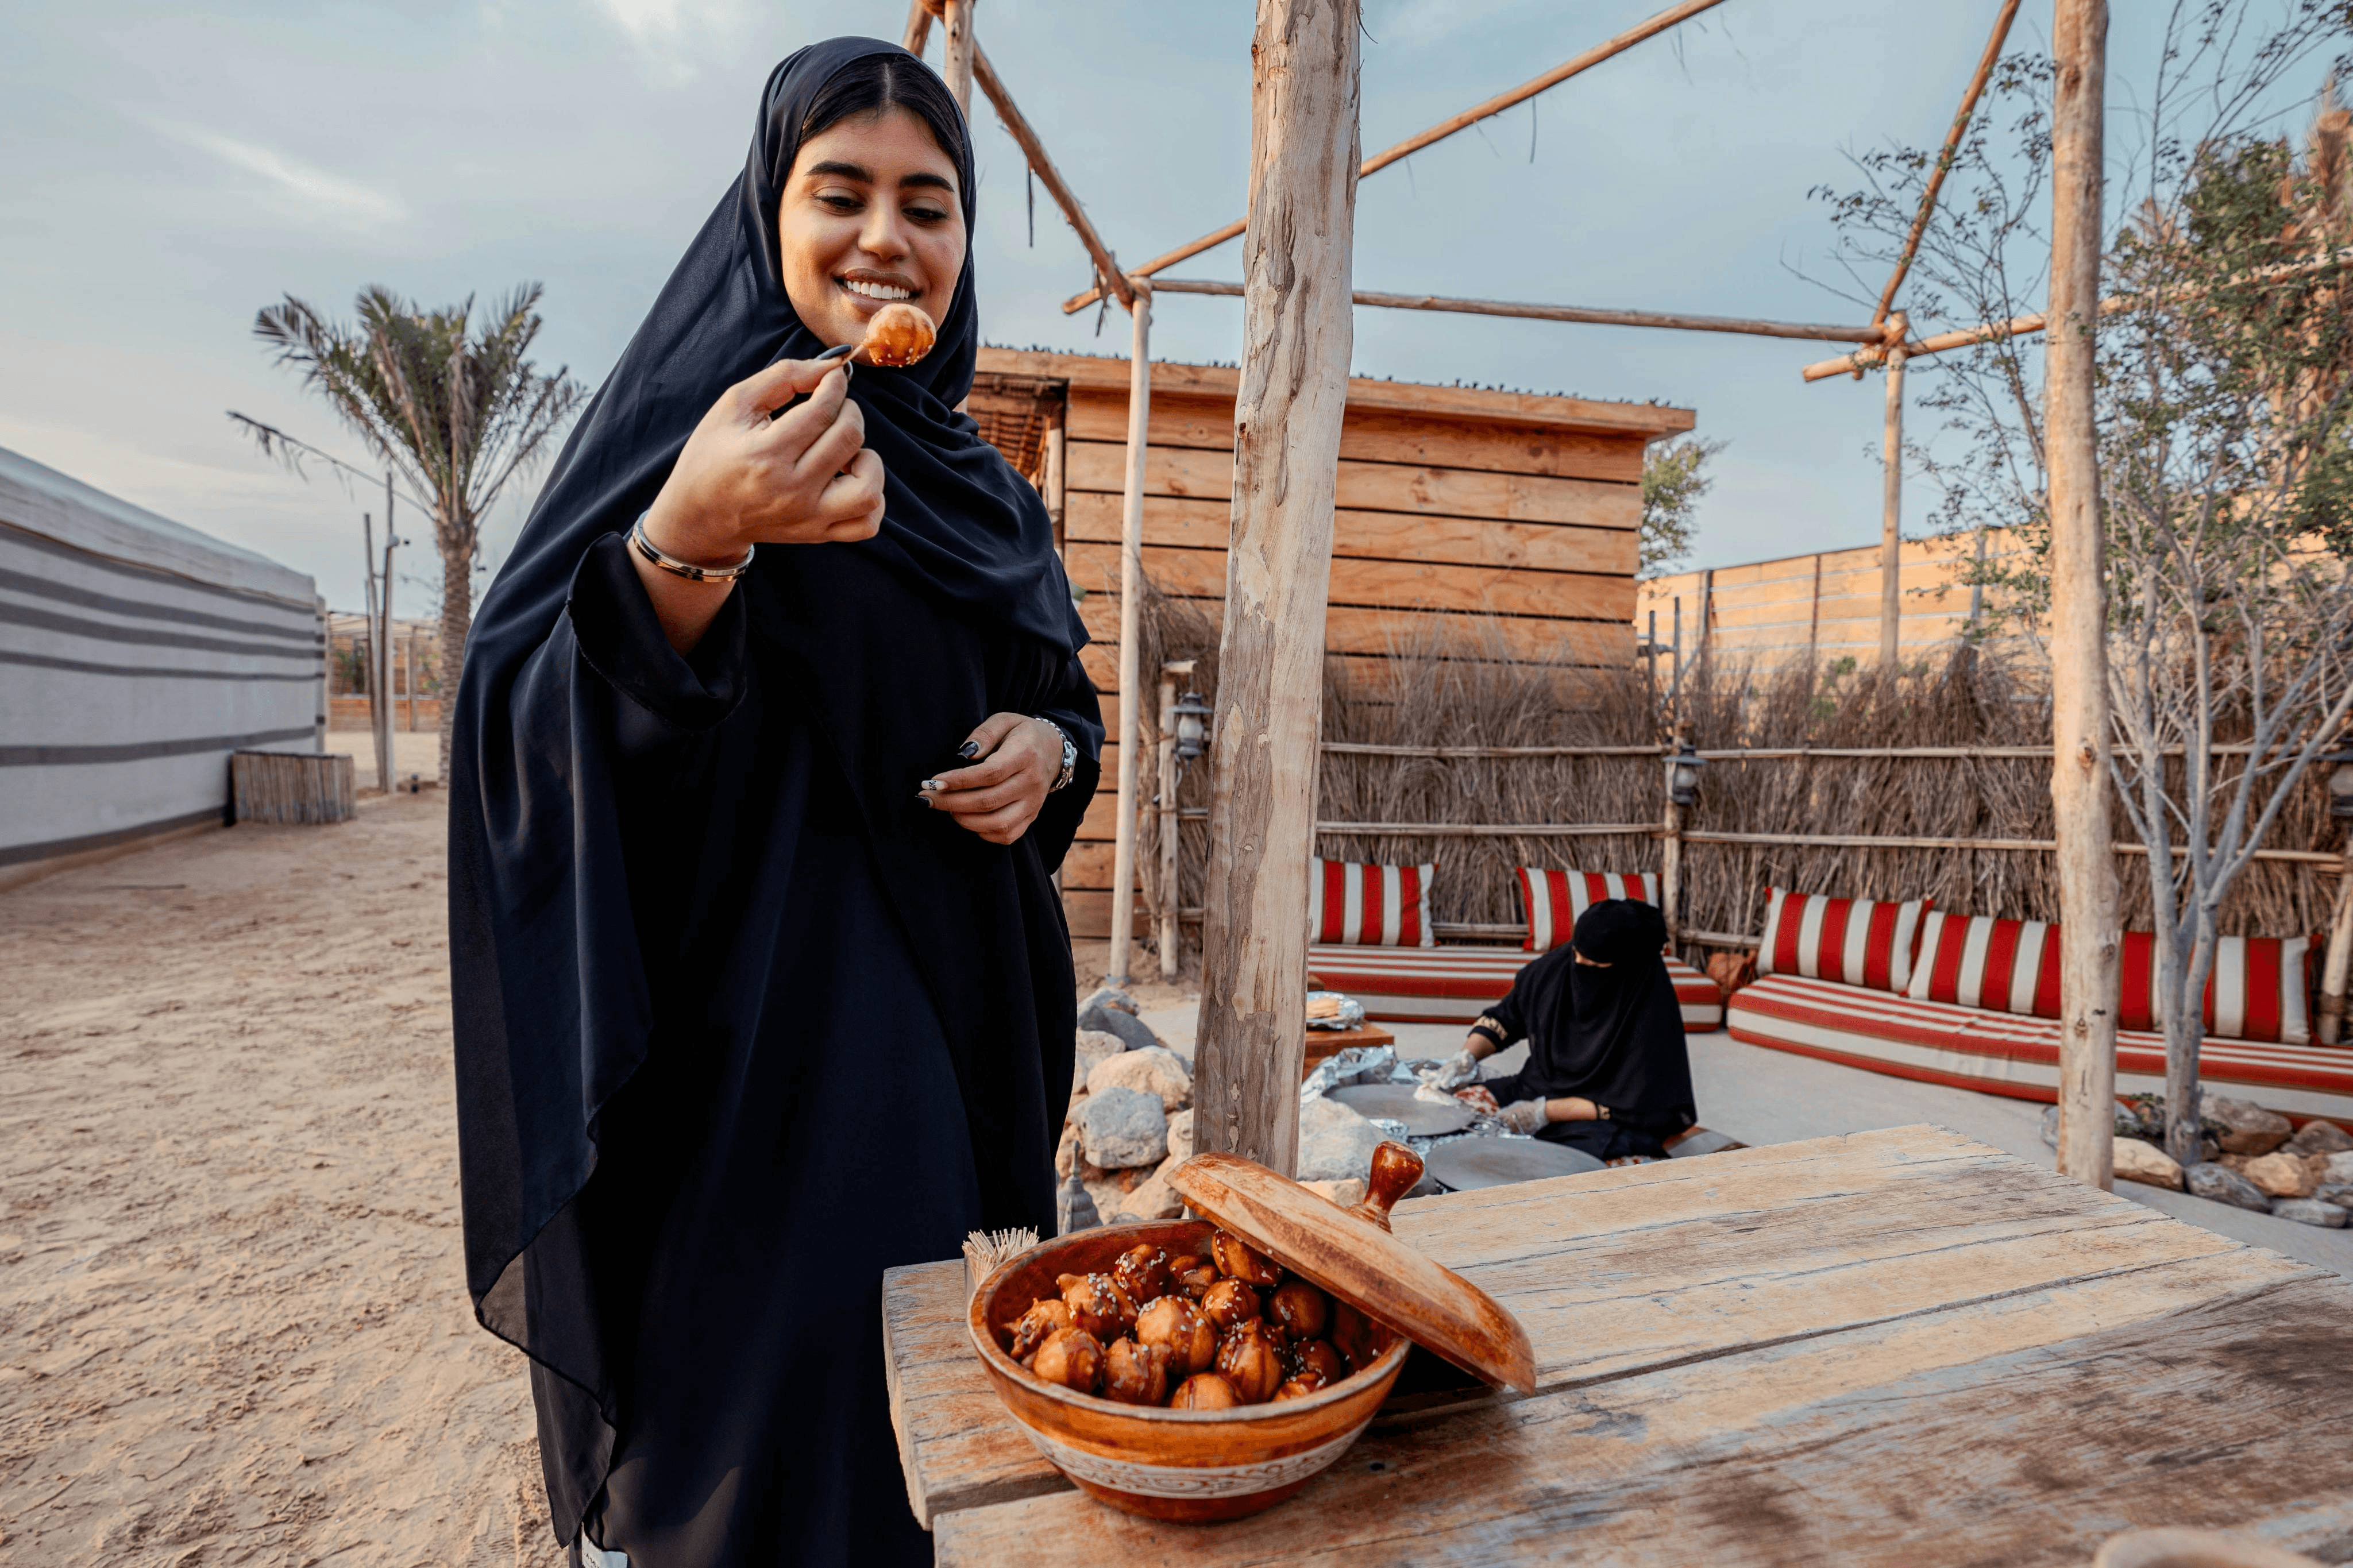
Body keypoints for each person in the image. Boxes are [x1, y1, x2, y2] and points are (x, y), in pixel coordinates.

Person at [445, 38, 1101, 1567]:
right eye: (844, 191)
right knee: (752, 1444)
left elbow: (1059, 688)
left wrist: (1051, 753)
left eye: (929, 204)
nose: (889, 234)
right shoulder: (696, 429)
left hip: (952, 1053)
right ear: (769, 211)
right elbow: (521, 705)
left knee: (929, 1435)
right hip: (731, 1065)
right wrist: (695, 536)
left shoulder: (983, 486)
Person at [1428, 899, 1696, 1162]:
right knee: (1457, 1114)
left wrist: (1544, 1113)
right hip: (1538, 1085)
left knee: (1573, 1165)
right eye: (1576, 953)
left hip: (1606, 1114)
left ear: (1626, 968)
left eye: (1594, 965)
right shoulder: (1556, 970)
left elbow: (1640, 1105)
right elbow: (1505, 1019)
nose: (1579, 964)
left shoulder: (1648, 1008)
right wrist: (1464, 1058)